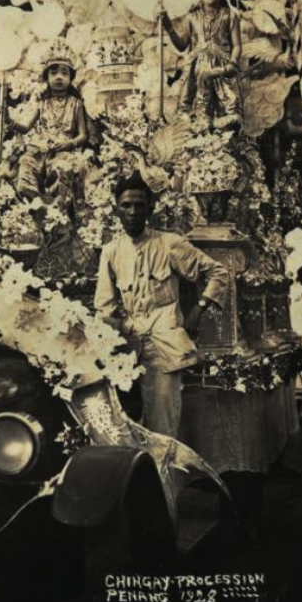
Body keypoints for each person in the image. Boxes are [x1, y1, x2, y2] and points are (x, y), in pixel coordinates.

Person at [94, 171, 228, 439]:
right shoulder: (110, 251)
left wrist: (197, 310)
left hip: (165, 348)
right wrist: (106, 349)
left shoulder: (169, 244)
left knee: (163, 429)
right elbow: (105, 308)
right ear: (116, 210)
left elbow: (218, 273)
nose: (133, 212)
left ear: (150, 208)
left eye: (139, 205)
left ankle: (167, 481)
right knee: (125, 428)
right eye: (126, 206)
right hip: (127, 351)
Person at [161, 0, 243, 133]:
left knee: (231, 113)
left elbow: (236, 45)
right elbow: (182, 44)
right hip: (197, 69)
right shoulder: (192, 16)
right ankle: (202, 138)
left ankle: (223, 140)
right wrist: (167, 25)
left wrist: (232, 64)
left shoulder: (231, 15)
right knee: (197, 113)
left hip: (222, 68)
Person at [11, 41, 88, 204]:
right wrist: (8, 121)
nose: (59, 77)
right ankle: (37, 203)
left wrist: (70, 144)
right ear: (46, 78)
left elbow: (83, 135)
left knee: (61, 170)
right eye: (54, 73)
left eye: (64, 73)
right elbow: (25, 128)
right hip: (41, 149)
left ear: (71, 78)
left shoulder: (76, 104)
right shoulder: (42, 104)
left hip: (64, 151)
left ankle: (58, 208)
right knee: (26, 163)